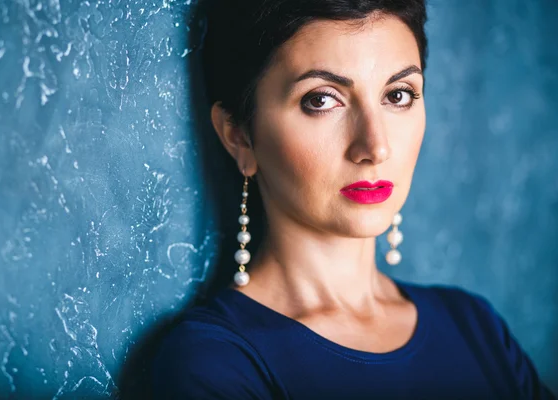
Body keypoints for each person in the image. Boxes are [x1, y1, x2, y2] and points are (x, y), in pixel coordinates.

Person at [152, 0, 556, 398]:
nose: (375, 147)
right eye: (322, 99)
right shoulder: (216, 363)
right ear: (238, 135)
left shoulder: (477, 329)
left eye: (398, 95)